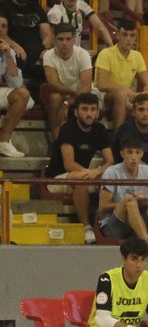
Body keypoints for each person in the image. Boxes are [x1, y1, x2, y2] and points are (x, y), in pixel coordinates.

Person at [50, 92, 112, 241]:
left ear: (97, 112)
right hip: (57, 178)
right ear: (76, 112)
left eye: (93, 109)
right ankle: (86, 227)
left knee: (110, 178)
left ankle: (107, 224)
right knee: (82, 180)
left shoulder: (100, 129)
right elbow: (69, 164)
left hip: (85, 175)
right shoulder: (67, 129)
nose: (89, 114)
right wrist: (90, 173)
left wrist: (97, 171)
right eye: (84, 109)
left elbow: (110, 161)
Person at [99, 141, 148, 244]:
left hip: (140, 222)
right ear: (122, 154)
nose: (133, 157)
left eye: (137, 152)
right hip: (114, 226)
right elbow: (103, 206)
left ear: (141, 154)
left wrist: (145, 201)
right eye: (129, 152)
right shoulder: (111, 172)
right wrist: (129, 202)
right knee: (130, 201)